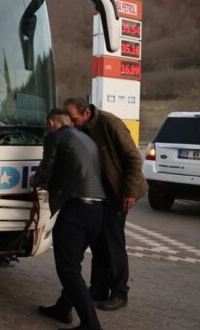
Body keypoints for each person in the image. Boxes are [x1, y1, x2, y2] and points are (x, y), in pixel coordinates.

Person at [63, 97, 148, 311]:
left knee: (114, 243)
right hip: (97, 194)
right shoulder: (79, 129)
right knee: (98, 243)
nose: (72, 124)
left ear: (87, 114)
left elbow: (133, 159)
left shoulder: (110, 124)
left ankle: (120, 292)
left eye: (75, 119)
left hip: (118, 193)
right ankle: (99, 289)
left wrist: (128, 193)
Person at [31, 108, 106, 330]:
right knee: (74, 262)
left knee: (68, 269)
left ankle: (91, 324)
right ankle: (63, 308)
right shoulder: (85, 137)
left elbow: (46, 170)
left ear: (51, 123)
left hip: (76, 210)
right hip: (97, 210)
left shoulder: (55, 137)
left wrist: (34, 180)